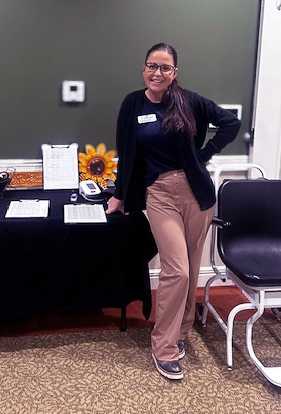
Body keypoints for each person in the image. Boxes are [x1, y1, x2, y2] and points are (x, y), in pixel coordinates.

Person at [106, 43, 241, 380]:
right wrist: (120, 196)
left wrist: (205, 152)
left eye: (165, 68)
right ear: (143, 69)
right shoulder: (132, 104)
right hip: (159, 194)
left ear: (174, 73)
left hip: (197, 195)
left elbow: (230, 123)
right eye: (153, 66)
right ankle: (163, 346)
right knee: (177, 270)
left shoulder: (190, 101)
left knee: (192, 270)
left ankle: (181, 333)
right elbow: (125, 153)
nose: (158, 73)